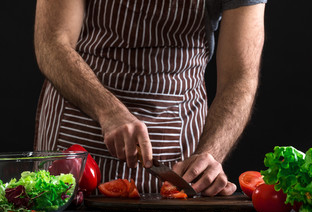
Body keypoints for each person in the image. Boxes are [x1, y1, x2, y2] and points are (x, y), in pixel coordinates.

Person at [33, 0, 266, 196]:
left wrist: (210, 155)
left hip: (177, 147)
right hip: (79, 132)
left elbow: (240, 78)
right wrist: (108, 110)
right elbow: (52, 42)